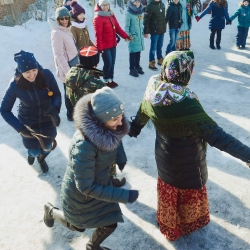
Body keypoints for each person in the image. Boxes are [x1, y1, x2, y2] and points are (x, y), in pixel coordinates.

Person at [129, 50, 250, 241]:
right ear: (183, 72)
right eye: (190, 70)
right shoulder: (187, 101)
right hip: (188, 163)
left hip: (163, 156)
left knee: (169, 187)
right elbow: (219, 137)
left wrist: (134, 128)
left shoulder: (153, 87)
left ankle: (169, 224)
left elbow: (142, 110)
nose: (191, 74)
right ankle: (190, 223)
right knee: (187, 191)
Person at [43, 87, 139, 250]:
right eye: (115, 118)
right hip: (82, 196)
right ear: (101, 120)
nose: (120, 122)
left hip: (100, 186)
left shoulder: (109, 129)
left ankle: (91, 247)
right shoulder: (84, 146)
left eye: (121, 116)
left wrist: (120, 159)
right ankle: (51, 210)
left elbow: (115, 141)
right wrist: (123, 195)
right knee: (78, 226)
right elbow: (85, 187)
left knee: (110, 223)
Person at [65, 46, 127, 187]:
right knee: (106, 149)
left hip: (81, 118)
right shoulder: (96, 83)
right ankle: (111, 177)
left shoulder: (70, 75)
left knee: (87, 149)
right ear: (95, 63)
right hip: (98, 121)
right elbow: (107, 103)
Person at [0, 51, 61, 173]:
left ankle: (41, 160)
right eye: (27, 72)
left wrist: (55, 108)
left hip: (47, 120)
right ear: (21, 72)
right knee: (34, 150)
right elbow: (4, 110)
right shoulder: (15, 85)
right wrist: (21, 128)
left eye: (34, 70)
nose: (32, 74)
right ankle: (32, 155)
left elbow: (56, 95)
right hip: (28, 123)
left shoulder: (47, 75)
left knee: (48, 147)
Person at [48, 7, 78, 121]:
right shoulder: (56, 33)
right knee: (69, 91)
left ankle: (75, 111)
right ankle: (71, 114)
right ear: (57, 20)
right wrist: (68, 71)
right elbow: (59, 54)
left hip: (73, 63)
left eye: (66, 18)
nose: (65, 21)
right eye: (61, 19)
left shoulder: (65, 29)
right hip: (67, 66)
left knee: (74, 90)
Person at [93, 0, 130, 88]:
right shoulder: (98, 18)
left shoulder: (111, 14)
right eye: (103, 5)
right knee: (108, 63)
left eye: (107, 5)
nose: (105, 7)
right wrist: (100, 49)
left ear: (109, 5)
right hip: (104, 46)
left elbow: (118, 28)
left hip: (113, 44)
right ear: (99, 6)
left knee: (112, 63)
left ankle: (111, 79)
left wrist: (125, 36)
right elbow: (98, 35)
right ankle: (106, 81)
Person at [143, 0, 166, 70]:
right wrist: (146, 31)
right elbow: (146, 19)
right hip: (154, 30)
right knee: (153, 47)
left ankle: (160, 59)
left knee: (160, 46)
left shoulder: (162, 4)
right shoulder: (150, 6)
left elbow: (163, 18)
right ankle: (151, 62)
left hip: (161, 30)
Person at [125, 0, 145, 77]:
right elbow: (127, 26)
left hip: (139, 36)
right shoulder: (129, 13)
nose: (137, 4)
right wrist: (127, 36)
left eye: (138, 2)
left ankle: (137, 66)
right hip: (133, 37)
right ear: (132, 3)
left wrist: (142, 32)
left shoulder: (140, 12)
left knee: (138, 52)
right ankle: (132, 69)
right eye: (135, 2)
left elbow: (141, 25)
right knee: (133, 53)